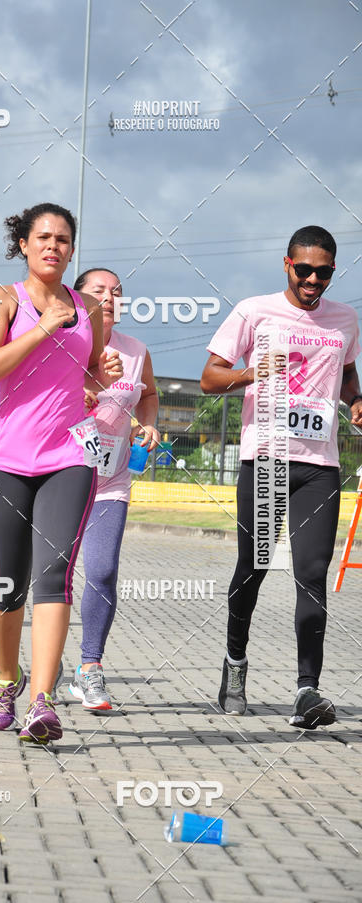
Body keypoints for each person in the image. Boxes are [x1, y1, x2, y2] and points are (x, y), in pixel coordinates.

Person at [0, 202, 122, 743]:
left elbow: (91, 375)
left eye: (62, 239)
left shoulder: (88, 308)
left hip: (69, 457)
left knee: (53, 573)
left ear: (71, 248)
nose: (53, 246)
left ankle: (43, 698)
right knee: (8, 582)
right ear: (25, 245)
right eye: (44, 238)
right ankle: (8, 679)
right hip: (8, 461)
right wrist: (40, 332)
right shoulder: (2, 300)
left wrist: (104, 374)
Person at [201, 226, 361, 729]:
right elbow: (209, 379)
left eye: (325, 272)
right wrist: (254, 374)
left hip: (320, 464)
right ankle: (235, 663)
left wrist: (356, 401)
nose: (314, 280)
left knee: (312, 572)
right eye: (305, 270)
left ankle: (307, 691)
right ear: (287, 264)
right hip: (266, 458)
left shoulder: (345, 320)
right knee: (254, 566)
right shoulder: (254, 310)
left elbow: (349, 372)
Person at [66, 268, 160, 710]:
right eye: (98, 291)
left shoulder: (136, 351)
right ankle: (30, 671)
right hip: (59, 477)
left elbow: (149, 394)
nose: (109, 297)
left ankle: (90, 668)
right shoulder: (59, 342)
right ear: (77, 297)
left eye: (118, 292)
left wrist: (151, 423)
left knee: (101, 571)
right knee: (50, 578)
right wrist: (81, 388)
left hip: (110, 480)